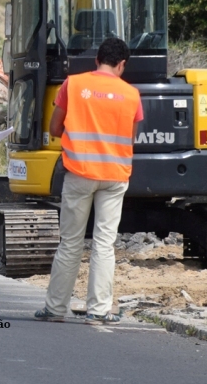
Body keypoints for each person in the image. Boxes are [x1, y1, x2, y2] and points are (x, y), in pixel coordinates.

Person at [34, 37, 143, 326]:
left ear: (97, 60)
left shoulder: (74, 84)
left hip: (80, 172)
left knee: (70, 242)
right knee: (104, 243)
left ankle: (55, 308)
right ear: (122, 65)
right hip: (115, 176)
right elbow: (130, 138)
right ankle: (98, 310)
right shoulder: (132, 94)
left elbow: (54, 127)